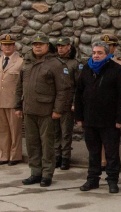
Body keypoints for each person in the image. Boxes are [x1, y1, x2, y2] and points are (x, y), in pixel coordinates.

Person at [15, 33, 71, 187]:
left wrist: (58, 110)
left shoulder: (55, 64)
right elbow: (20, 86)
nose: (37, 46)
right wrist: (17, 105)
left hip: (47, 111)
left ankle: (47, 174)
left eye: (41, 44)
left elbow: (63, 90)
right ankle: (35, 172)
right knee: (32, 144)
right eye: (35, 44)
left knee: (47, 145)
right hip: (29, 110)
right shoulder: (27, 63)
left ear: (47, 46)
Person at [74, 41, 121, 194]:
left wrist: (120, 120)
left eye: (100, 53)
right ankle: (92, 179)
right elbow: (78, 94)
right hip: (90, 119)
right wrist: (79, 116)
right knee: (93, 152)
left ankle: (112, 180)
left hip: (110, 121)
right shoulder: (86, 69)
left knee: (111, 153)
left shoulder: (117, 70)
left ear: (107, 54)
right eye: (94, 53)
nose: (96, 56)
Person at [99, 34, 121, 171]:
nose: (107, 47)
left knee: (112, 138)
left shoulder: (120, 64)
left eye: (110, 45)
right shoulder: (94, 62)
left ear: (114, 47)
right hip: (98, 105)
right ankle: (101, 161)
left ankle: (112, 162)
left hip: (113, 106)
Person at [54, 37, 81, 170]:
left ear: (69, 47)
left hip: (67, 101)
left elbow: (78, 86)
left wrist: (75, 102)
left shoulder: (74, 64)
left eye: (63, 46)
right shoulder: (53, 62)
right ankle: (56, 156)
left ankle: (65, 157)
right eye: (58, 46)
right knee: (55, 132)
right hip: (53, 102)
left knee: (65, 132)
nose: (60, 48)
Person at [0, 34, 23, 166]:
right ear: (1, 46)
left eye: (10, 44)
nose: (7, 47)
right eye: (4, 44)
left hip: (13, 102)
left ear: (14, 46)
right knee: (2, 130)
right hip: (0, 101)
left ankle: (15, 155)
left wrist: (20, 102)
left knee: (15, 130)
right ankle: (4, 155)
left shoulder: (20, 62)